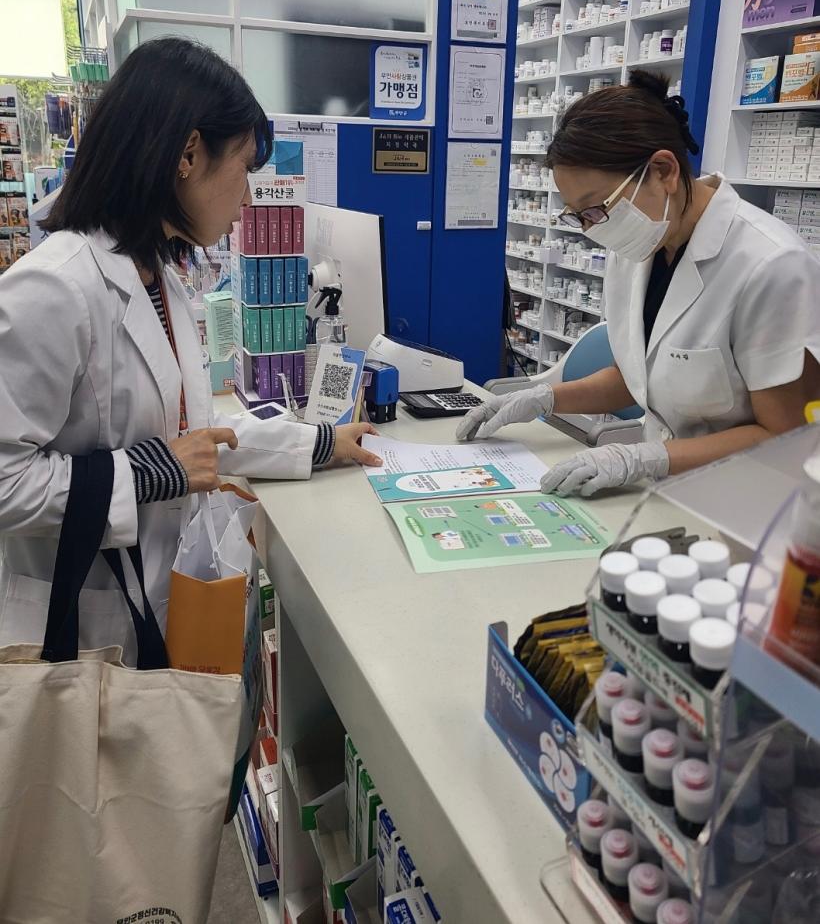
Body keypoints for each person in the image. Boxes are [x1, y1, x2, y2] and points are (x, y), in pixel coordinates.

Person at [0, 38, 381, 655]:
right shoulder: (54, 287)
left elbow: (195, 437)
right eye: (245, 168)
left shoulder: (156, 275)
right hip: (78, 633)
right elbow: (5, 480)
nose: (249, 198)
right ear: (187, 154)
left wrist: (320, 443)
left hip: (155, 606)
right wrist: (151, 472)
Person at [459, 70, 820, 496]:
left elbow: (787, 437)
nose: (592, 228)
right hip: (664, 495)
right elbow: (639, 377)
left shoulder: (772, 266)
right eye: (578, 215)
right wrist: (544, 396)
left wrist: (645, 457)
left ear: (663, 171)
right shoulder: (640, 241)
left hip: (743, 501)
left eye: (596, 208)